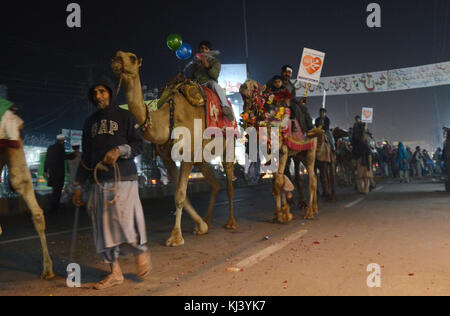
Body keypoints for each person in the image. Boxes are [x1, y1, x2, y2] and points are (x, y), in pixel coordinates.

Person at [72, 78, 151, 290]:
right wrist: (79, 185)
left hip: (123, 177)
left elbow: (138, 145)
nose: (99, 96)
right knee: (102, 230)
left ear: (110, 92)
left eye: (102, 91)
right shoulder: (89, 123)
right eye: (95, 93)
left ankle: (141, 252)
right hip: (99, 181)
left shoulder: (126, 116)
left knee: (126, 221)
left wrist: (119, 151)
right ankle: (115, 273)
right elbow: (87, 158)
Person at [185, 40, 234, 121]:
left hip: (209, 83)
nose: (203, 50)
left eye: (206, 48)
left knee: (215, 85)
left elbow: (215, 75)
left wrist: (205, 63)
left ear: (209, 51)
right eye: (202, 48)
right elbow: (191, 76)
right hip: (197, 85)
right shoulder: (195, 63)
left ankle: (226, 107)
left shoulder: (215, 61)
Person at [44, 135, 75, 213]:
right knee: (58, 191)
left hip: (52, 173)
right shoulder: (60, 148)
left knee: (55, 190)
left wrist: (45, 170)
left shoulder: (50, 148)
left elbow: (47, 160)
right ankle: (55, 208)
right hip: (59, 173)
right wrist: (74, 154)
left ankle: (53, 207)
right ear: (62, 141)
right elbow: (64, 157)